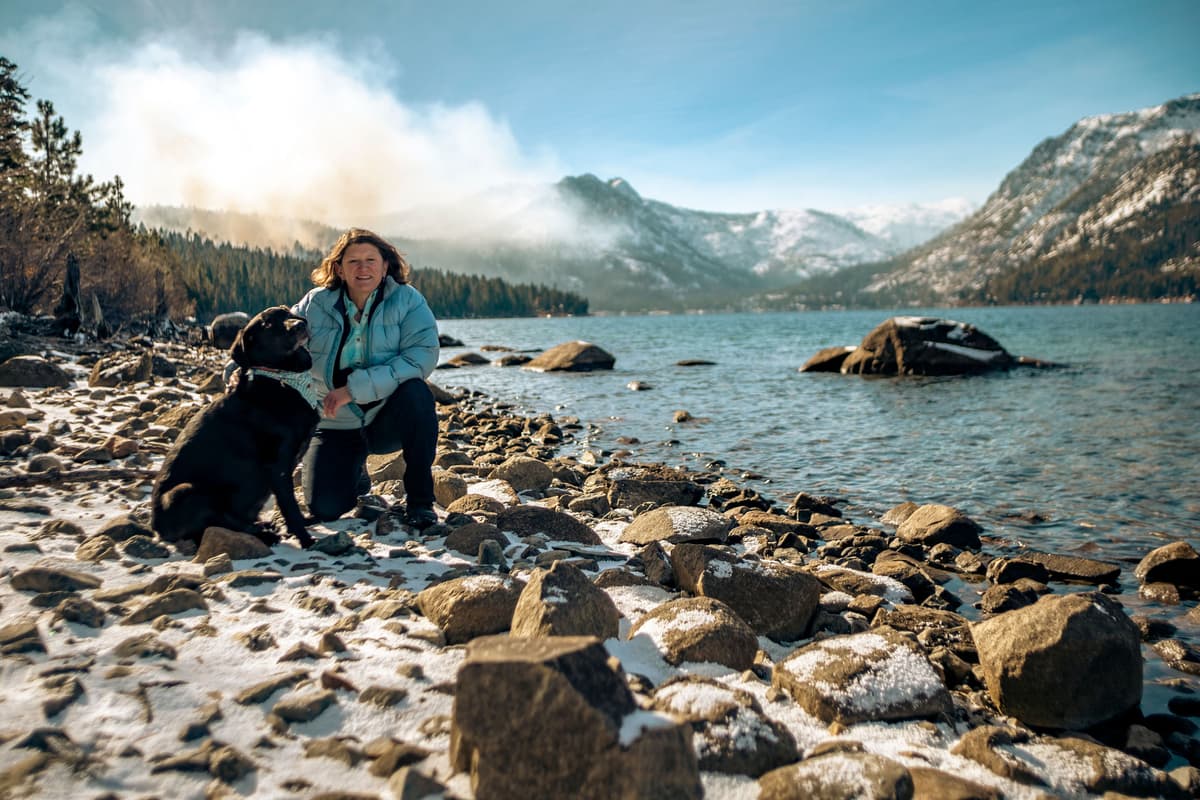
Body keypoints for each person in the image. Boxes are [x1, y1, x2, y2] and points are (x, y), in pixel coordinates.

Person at [293, 228, 441, 529]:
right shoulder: (315, 304)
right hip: (334, 423)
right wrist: (244, 371)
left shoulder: (408, 301)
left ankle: (421, 502)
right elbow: (279, 341)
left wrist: (352, 390)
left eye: (371, 260)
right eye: (354, 261)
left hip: (385, 419)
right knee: (325, 508)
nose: (363, 268)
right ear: (339, 269)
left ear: (385, 266)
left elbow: (421, 356)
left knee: (417, 394)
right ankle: (354, 470)